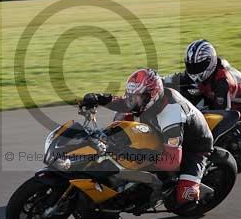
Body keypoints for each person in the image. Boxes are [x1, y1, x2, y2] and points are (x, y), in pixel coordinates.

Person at [82, 68, 213, 207]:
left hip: (193, 146)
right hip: (159, 129)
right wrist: (98, 98)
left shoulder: (171, 115)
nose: (134, 101)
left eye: (138, 97)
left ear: (152, 95)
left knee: (185, 199)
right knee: (121, 121)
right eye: (132, 96)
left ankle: (169, 188)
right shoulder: (148, 98)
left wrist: (134, 154)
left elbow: (172, 161)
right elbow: (125, 103)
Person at [163, 39, 241, 154]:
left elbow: (224, 116)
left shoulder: (222, 82)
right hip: (214, 95)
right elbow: (177, 78)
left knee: (239, 145)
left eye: (199, 66)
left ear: (210, 62)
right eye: (191, 66)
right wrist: (158, 81)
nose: (194, 70)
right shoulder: (198, 73)